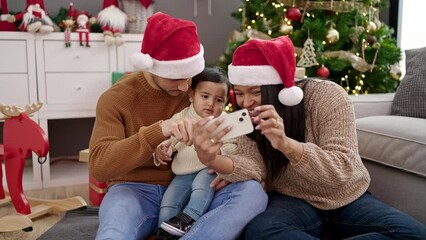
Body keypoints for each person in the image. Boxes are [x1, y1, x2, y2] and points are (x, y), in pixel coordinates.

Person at [191, 36, 426, 239]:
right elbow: (254, 167)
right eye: (240, 93)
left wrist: (286, 144)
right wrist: (211, 158)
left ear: (280, 89)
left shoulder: (327, 97)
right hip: (292, 199)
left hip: (346, 197)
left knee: (413, 234)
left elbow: (341, 170)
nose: (246, 102)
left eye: (256, 92)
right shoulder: (248, 118)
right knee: (261, 232)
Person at [89, 12, 267, 240]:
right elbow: (100, 166)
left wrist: (228, 166)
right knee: (113, 233)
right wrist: (159, 130)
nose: (185, 88)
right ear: (152, 66)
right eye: (176, 78)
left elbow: (240, 145)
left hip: (200, 189)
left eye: (190, 77)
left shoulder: (200, 90)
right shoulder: (116, 99)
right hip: (134, 190)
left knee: (253, 194)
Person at [154, 67, 238, 237]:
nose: (211, 104)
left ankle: (190, 216)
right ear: (192, 95)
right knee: (170, 201)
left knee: (202, 185)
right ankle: (165, 231)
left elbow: (234, 145)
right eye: (205, 96)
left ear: (225, 101)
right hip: (182, 173)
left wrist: (219, 150)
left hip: (209, 168)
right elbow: (170, 140)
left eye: (219, 100)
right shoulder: (182, 117)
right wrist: (162, 150)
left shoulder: (224, 122)